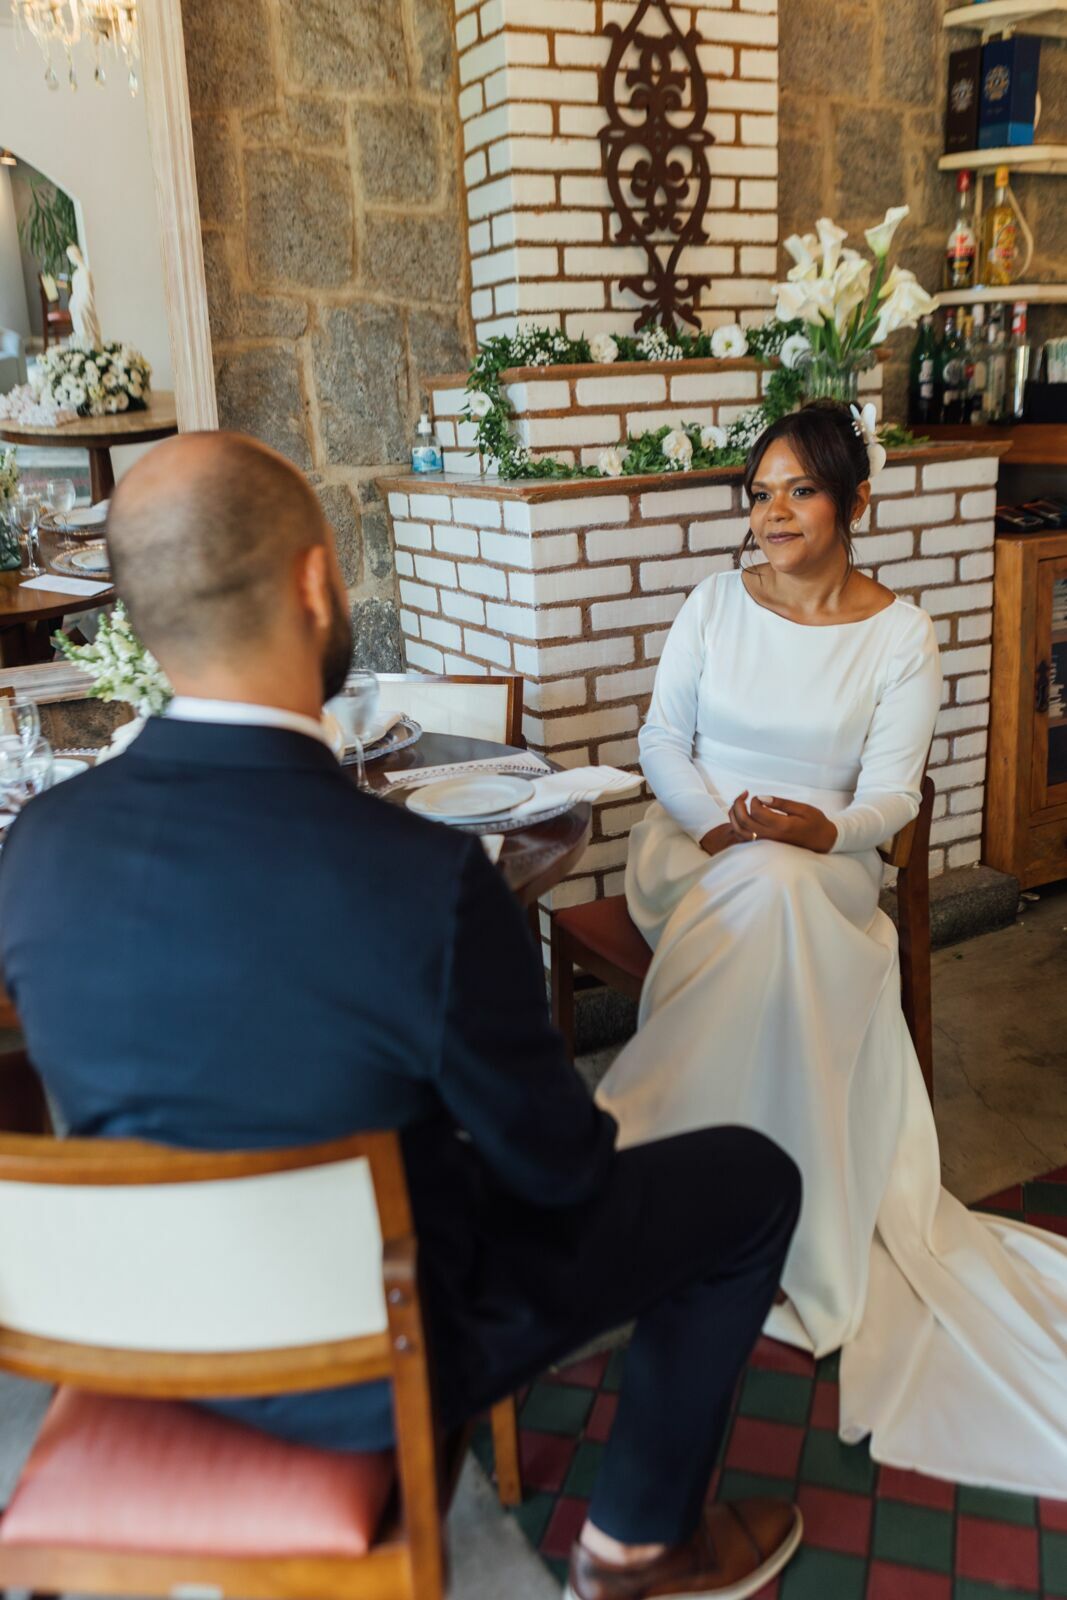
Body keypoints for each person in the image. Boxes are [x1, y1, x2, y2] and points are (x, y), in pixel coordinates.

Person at [0, 432, 804, 1600]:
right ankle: (633, 1547)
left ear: (144, 618)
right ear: (318, 584)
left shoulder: (39, 847)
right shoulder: (424, 880)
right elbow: (560, 1173)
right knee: (747, 1180)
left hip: (134, 1332)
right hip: (363, 1365)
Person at [597, 399, 1067, 1497]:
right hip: (693, 840)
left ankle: (654, 1172)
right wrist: (717, 824)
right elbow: (662, 738)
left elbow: (893, 795)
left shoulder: (899, 634)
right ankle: (729, 1191)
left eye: (797, 489)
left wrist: (826, 829)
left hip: (828, 857)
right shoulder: (713, 602)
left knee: (784, 889)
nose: (770, 512)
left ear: (856, 499)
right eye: (757, 492)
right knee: (756, 885)